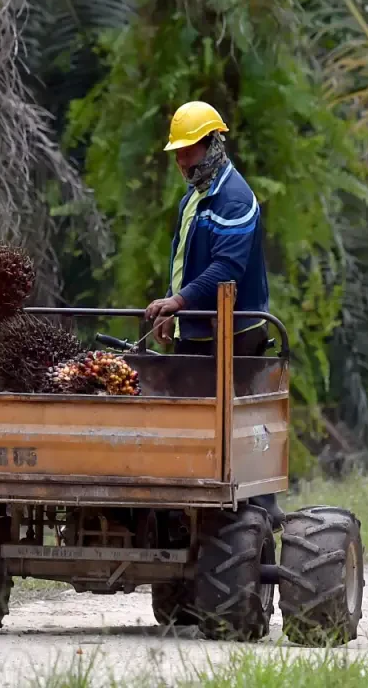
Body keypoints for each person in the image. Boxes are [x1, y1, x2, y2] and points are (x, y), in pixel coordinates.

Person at [142, 100, 283, 527]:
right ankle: (189, 517)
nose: (182, 162)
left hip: (237, 333)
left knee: (239, 432)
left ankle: (262, 515)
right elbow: (185, 261)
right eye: (179, 154)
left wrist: (180, 302)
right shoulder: (195, 199)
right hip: (198, 331)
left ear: (212, 144)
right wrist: (172, 306)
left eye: (189, 151)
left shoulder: (235, 197)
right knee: (192, 428)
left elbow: (226, 271)